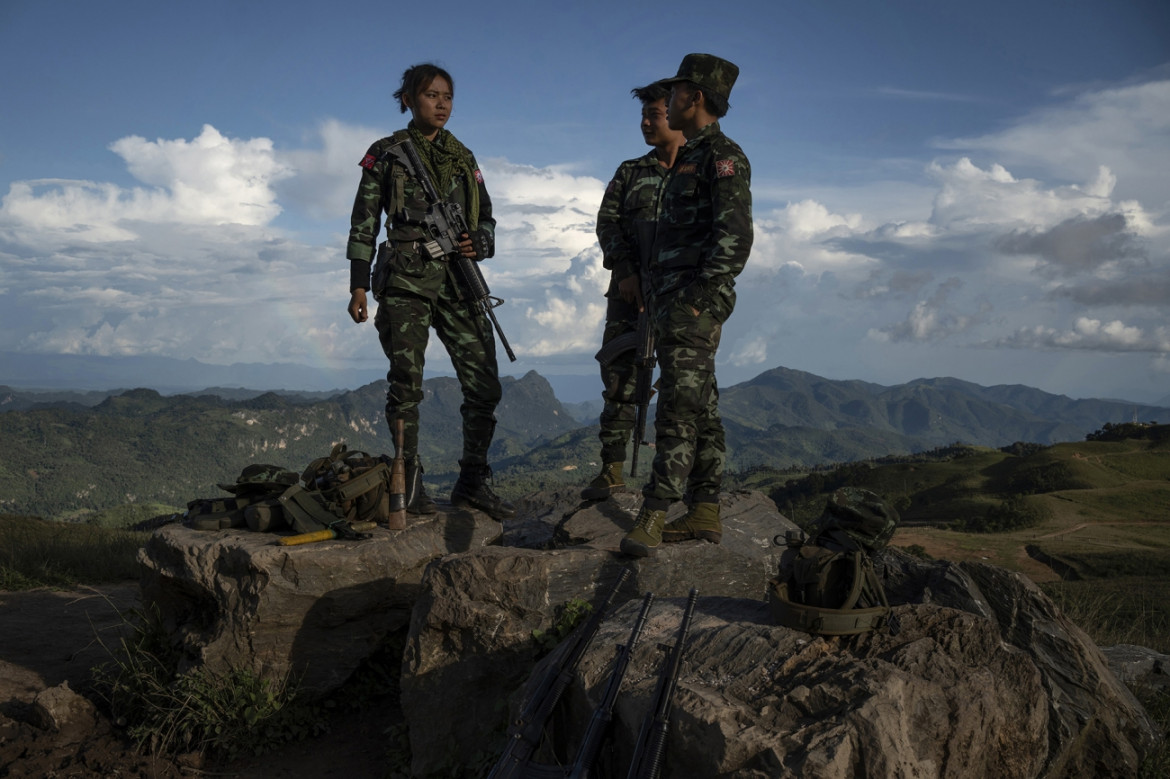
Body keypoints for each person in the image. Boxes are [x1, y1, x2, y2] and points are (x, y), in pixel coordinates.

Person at [345, 63, 515, 521]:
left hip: (459, 280)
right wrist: (358, 284)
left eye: (447, 96)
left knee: (484, 384)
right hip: (406, 279)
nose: (441, 104)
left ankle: (473, 481)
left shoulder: (464, 157)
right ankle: (412, 484)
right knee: (406, 385)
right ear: (408, 100)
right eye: (431, 95)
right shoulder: (387, 152)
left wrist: (480, 241)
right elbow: (365, 221)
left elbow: (488, 218)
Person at [620, 53, 752, 557]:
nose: (666, 101)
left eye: (674, 94)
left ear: (695, 98)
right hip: (669, 302)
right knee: (704, 407)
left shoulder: (722, 157)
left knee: (676, 409)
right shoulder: (690, 158)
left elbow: (735, 238)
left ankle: (654, 514)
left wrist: (697, 302)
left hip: (689, 306)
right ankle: (704, 509)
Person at [582, 82, 686, 501]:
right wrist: (624, 271)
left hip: (679, 296)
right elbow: (606, 224)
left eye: (654, 115)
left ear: (676, 115)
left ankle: (678, 482)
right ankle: (611, 469)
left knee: (683, 388)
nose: (645, 123)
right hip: (629, 295)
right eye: (642, 116)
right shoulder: (630, 172)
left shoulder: (698, 172)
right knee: (621, 378)